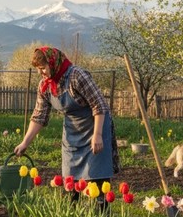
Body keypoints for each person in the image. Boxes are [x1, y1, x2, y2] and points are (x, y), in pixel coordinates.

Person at [14, 47, 120, 203]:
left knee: (97, 180)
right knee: (71, 183)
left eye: (43, 68)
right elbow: (39, 116)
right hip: (73, 132)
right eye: (38, 69)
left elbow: (99, 105)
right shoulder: (45, 86)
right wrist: (25, 142)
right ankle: (73, 215)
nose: (40, 72)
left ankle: (101, 214)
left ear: (53, 63)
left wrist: (97, 135)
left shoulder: (76, 76)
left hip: (95, 127)